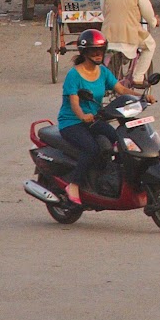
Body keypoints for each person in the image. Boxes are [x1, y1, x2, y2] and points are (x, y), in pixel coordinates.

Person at [56, 28, 120, 205]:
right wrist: (83, 116)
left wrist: (141, 97)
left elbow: (120, 89)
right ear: (84, 52)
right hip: (72, 123)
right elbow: (74, 102)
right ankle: (74, 185)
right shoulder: (74, 75)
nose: (98, 54)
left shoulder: (104, 72)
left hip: (94, 120)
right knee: (91, 148)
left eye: (100, 50)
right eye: (94, 50)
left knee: (119, 139)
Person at [103, 0, 157, 89]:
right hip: (130, 33)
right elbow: (148, 12)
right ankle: (138, 77)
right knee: (150, 45)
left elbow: (104, 10)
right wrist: (154, 22)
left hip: (108, 33)